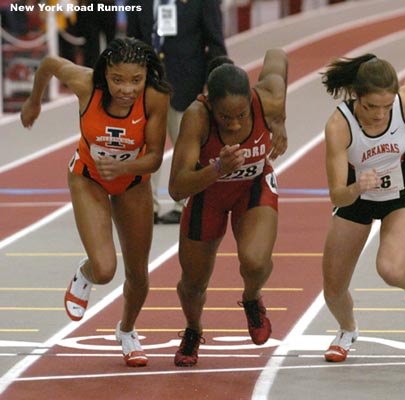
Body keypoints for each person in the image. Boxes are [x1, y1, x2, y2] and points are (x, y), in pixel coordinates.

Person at [20, 37, 171, 367]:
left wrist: (124, 166)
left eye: (136, 80)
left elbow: (156, 157)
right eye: (118, 80)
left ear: (146, 76)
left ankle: (127, 332)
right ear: (105, 73)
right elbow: (49, 63)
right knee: (105, 269)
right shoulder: (86, 83)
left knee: (138, 274)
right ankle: (84, 274)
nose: (126, 90)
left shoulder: (155, 97)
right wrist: (34, 102)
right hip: (88, 178)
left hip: (132, 181)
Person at [320, 53, 405, 362]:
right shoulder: (339, 125)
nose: (379, 115)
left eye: (386, 107)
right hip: (356, 199)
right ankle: (347, 330)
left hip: (399, 198)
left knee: (390, 268)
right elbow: (337, 195)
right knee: (333, 289)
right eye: (371, 107)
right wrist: (356, 187)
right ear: (356, 97)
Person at [167, 51, 288, 367]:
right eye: (225, 117)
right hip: (208, 193)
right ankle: (193, 330)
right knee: (192, 284)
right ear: (209, 103)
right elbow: (177, 188)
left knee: (256, 260)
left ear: (252, 99)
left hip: (252, 187)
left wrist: (280, 121)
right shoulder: (196, 116)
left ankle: (251, 297)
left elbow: (277, 56)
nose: (234, 123)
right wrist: (217, 168)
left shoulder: (268, 99)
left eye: (242, 115)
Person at [127, 0, 227, 224]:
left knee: (187, 145)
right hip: (147, 84)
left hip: (187, 83)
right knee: (144, 145)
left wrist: (215, 84)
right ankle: (146, 204)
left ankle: (186, 203)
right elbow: (131, 40)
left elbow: (215, 42)